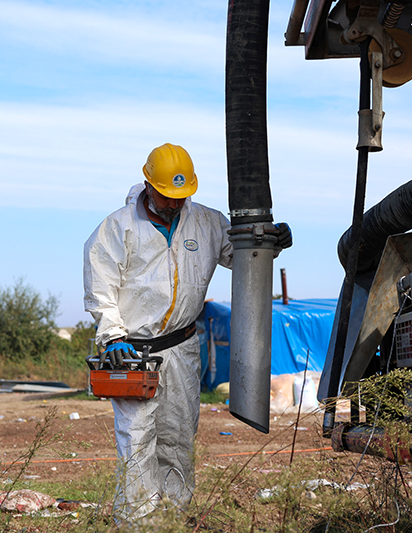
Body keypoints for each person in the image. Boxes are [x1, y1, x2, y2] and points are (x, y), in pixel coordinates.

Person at [83, 143, 291, 521]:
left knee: (178, 437)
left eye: (182, 197)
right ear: (148, 185)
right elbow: (101, 288)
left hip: (181, 348)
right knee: (138, 438)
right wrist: (112, 336)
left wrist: (268, 243)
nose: (174, 204)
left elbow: (241, 255)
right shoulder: (118, 228)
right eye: (167, 196)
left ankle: (174, 517)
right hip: (133, 353)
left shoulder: (207, 223)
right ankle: (138, 523)